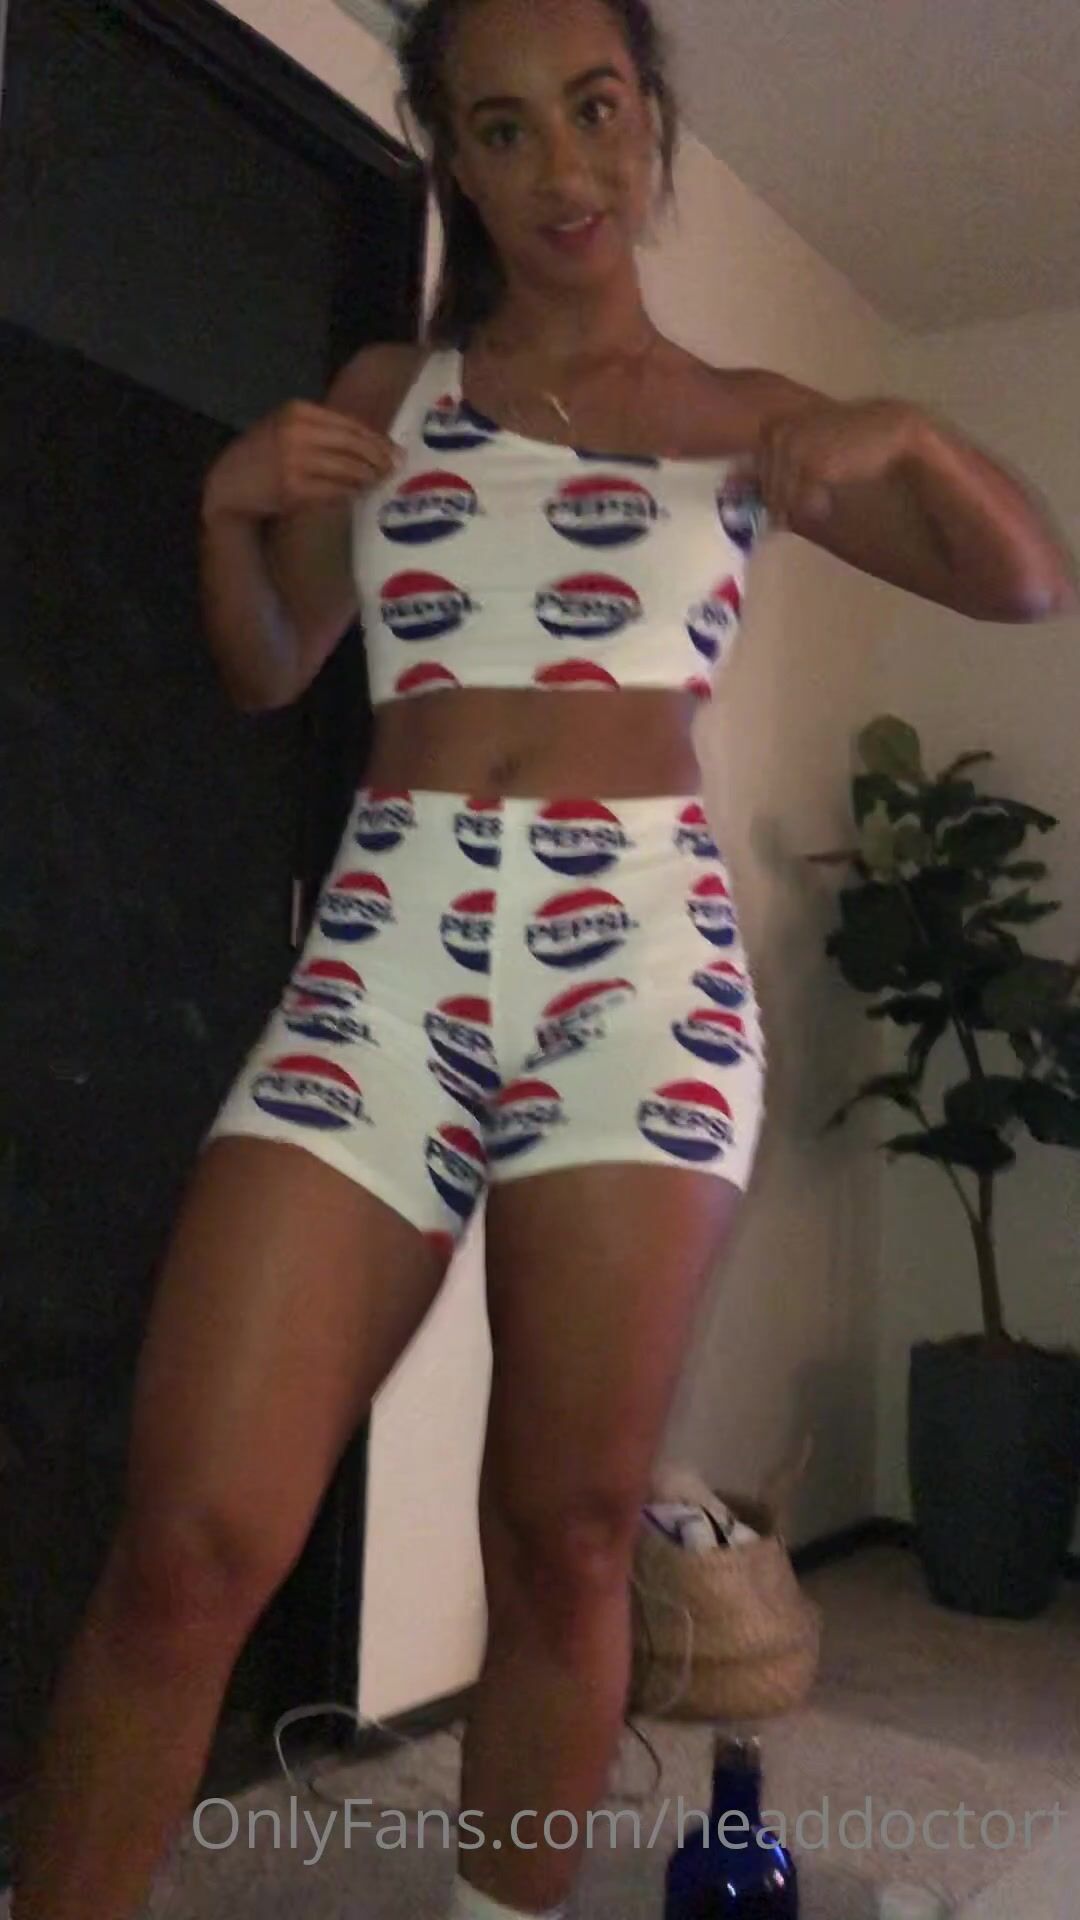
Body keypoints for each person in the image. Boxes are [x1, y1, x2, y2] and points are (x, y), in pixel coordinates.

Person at [11, 0, 1076, 1916]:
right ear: (454, 156)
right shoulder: (390, 392)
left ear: (648, 119)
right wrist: (227, 511)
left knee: (569, 1536)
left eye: (594, 111)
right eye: (503, 130)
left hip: (638, 987)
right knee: (188, 1546)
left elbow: (1025, 578)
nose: (564, 169)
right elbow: (272, 666)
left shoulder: (749, 416)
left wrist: (907, 429)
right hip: (386, 959)